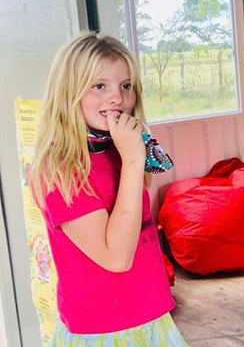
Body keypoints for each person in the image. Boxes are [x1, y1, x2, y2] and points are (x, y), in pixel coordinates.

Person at [30, 32, 186, 346]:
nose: (117, 98)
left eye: (125, 86)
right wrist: (132, 160)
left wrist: (130, 156)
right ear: (68, 92)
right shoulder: (59, 170)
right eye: (99, 86)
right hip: (103, 329)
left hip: (150, 315)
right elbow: (116, 258)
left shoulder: (117, 150)